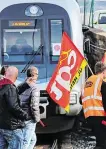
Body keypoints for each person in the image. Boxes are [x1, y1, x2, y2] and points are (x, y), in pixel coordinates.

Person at [0, 66, 28, 149]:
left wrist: (24, 85)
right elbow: (13, 106)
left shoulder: (2, 86)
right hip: (12, 126)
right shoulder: (10, 88)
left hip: (2, 125)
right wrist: (24, 115)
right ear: (16, 77)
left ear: (5, 74)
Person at [81, 61, 106, 149]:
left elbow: (82, 101)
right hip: (100, 116)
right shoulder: (101, 82)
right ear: (104, 71)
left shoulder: (86, 82)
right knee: (102, 144)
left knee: (99, 141)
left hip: (89, 116)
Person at [17, 66, 40, 149]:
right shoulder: (35, 87)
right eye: (37, 74)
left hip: (21, 116)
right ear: (35, 75)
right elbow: (34, 105)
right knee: (25, 142)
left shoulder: (21, 85)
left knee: (33, 140)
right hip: (29, 119)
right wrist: (37, 118)